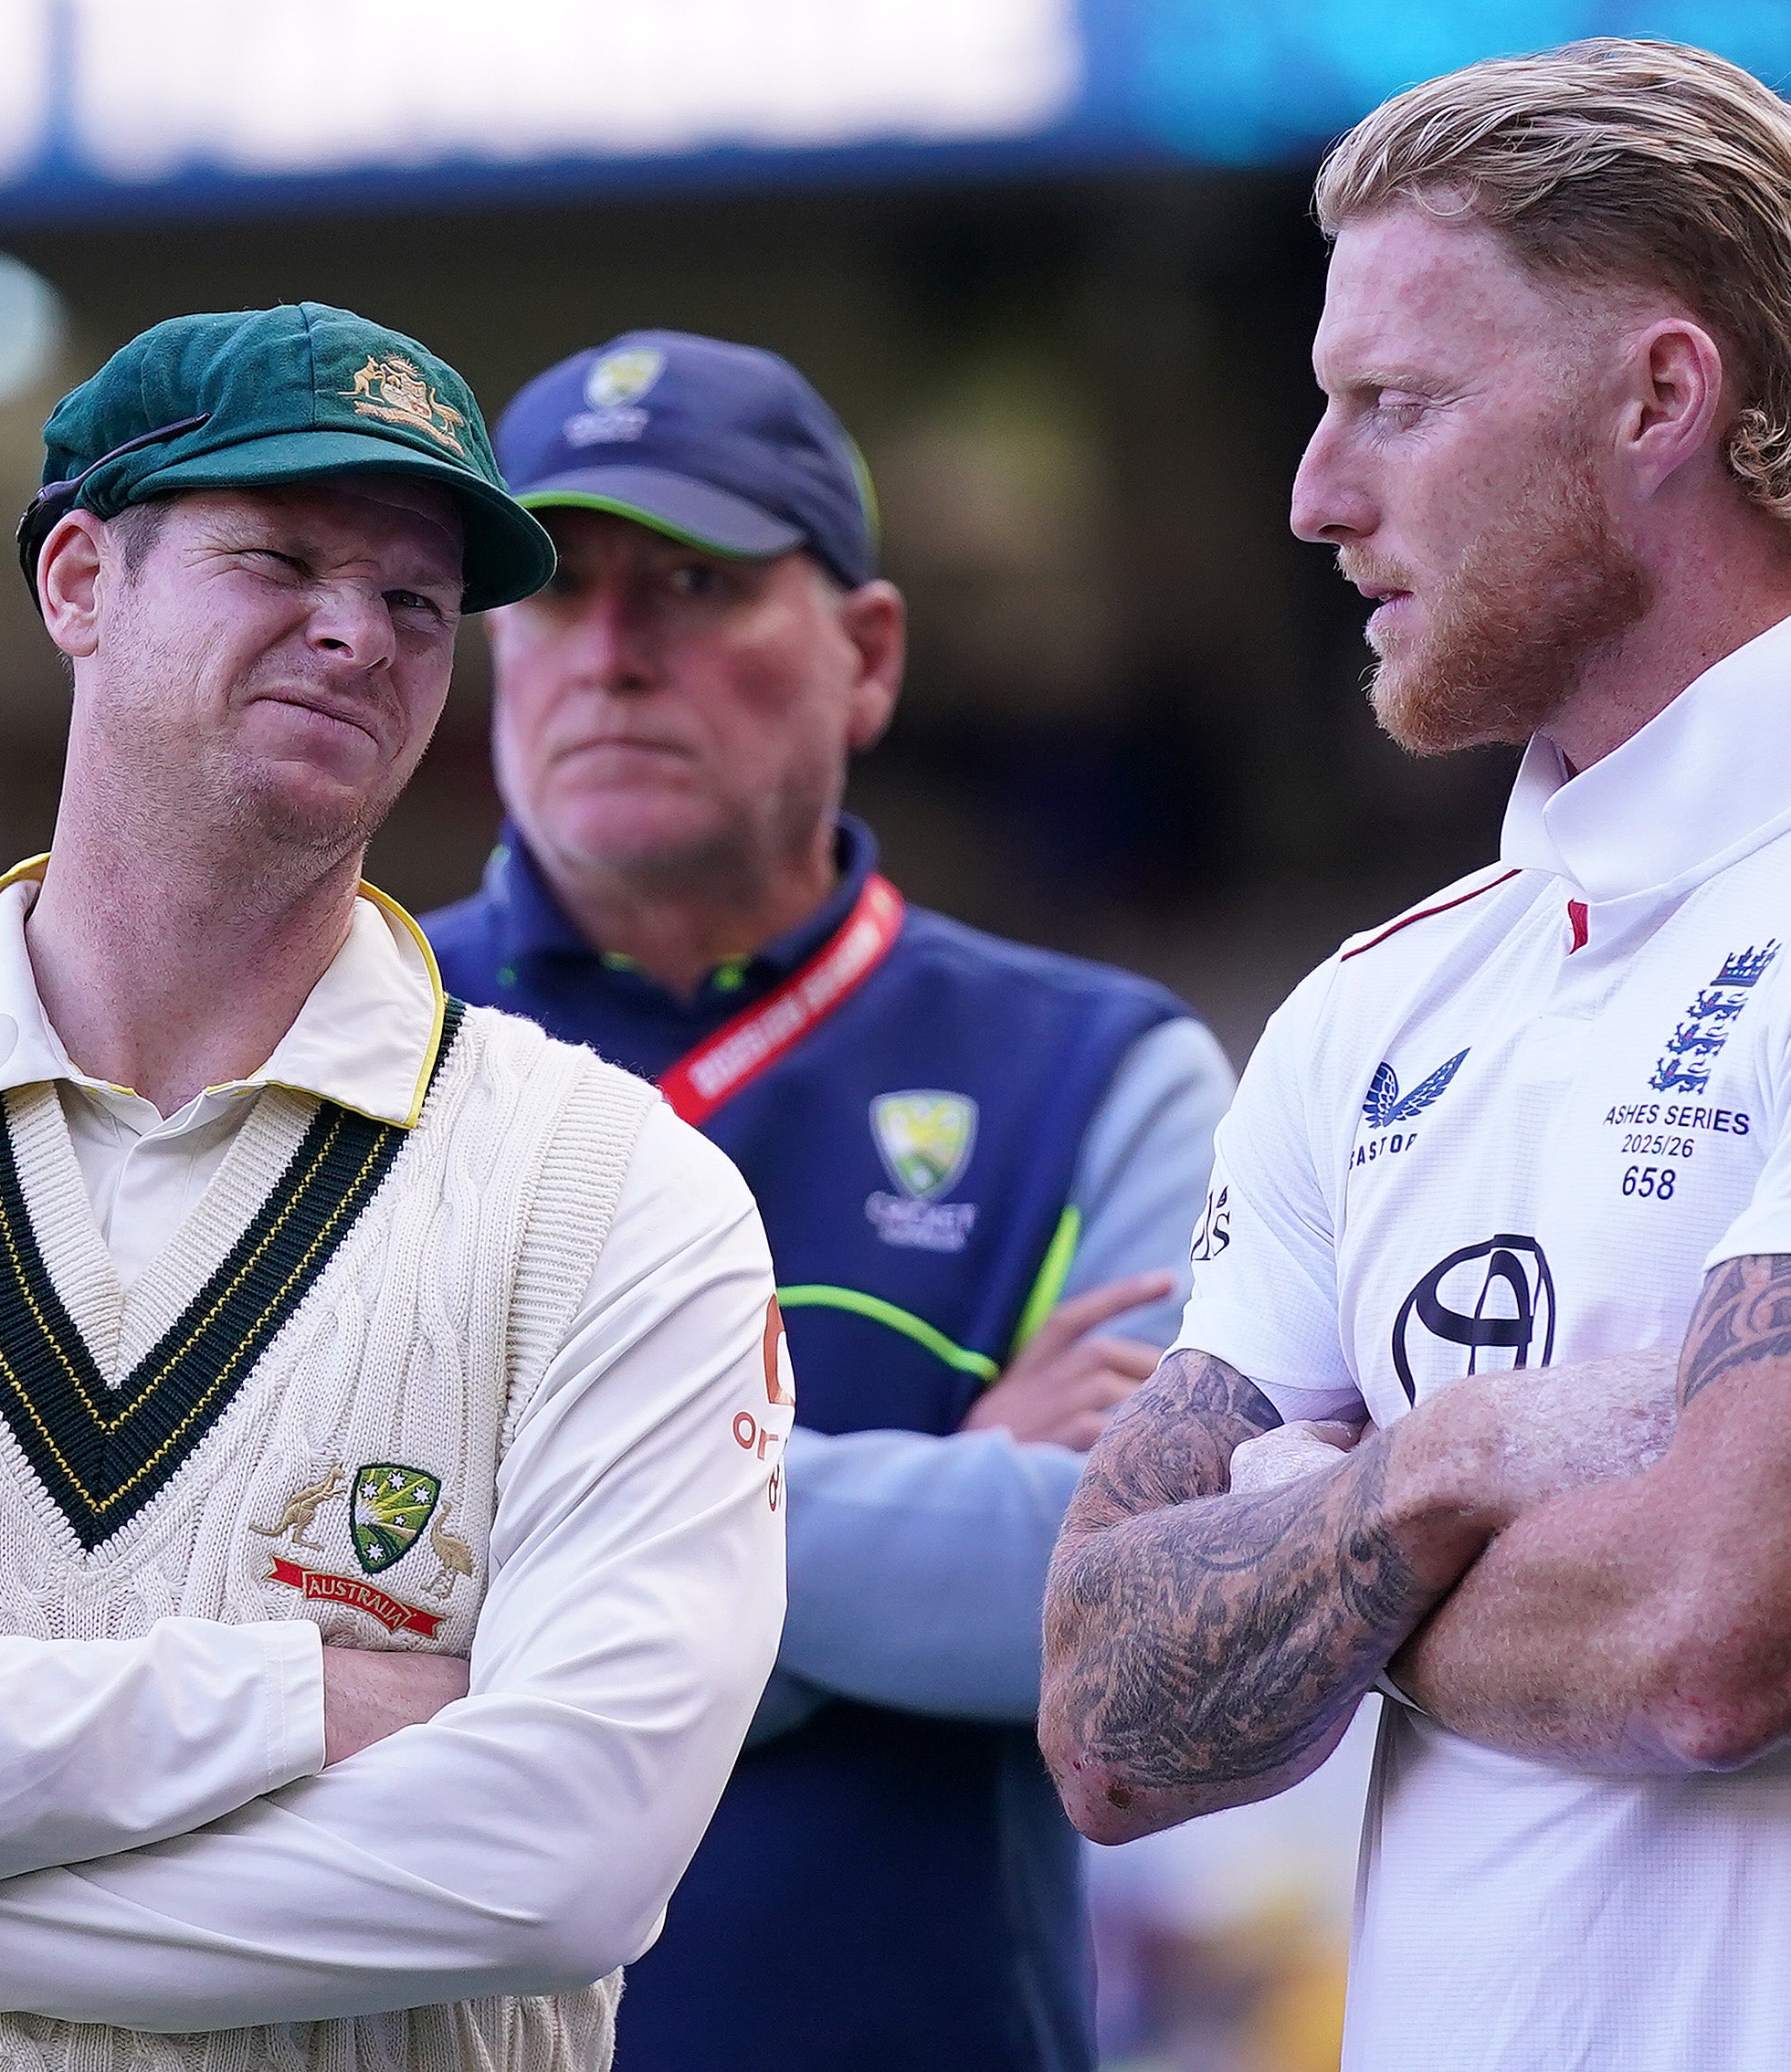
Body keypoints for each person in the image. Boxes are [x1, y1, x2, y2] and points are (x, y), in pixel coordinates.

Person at [1038, 40, 1791, 2072]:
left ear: (1661, 400)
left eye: (1395, 408)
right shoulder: (1371, 1005)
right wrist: (1459, 1460)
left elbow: (1717, 1640)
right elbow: (1100, 1712)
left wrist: (1316, 1538)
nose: (1315, 497)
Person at [0, 302, 792, 2071]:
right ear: (77, 580)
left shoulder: (617, 1198)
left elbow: (564, 1856)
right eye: (279, 557)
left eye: (418, 599)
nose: (359, 630)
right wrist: (285, 1700)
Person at [424, 330, 1233, 2072]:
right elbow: (230, 1612)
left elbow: (1130, 1597)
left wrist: (526, 1558)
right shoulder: (327, 1053)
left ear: (864, 657)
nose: (615, 655)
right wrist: (938, 1509)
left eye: (696, 582)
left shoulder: (1105, 1071)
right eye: (555, 597)